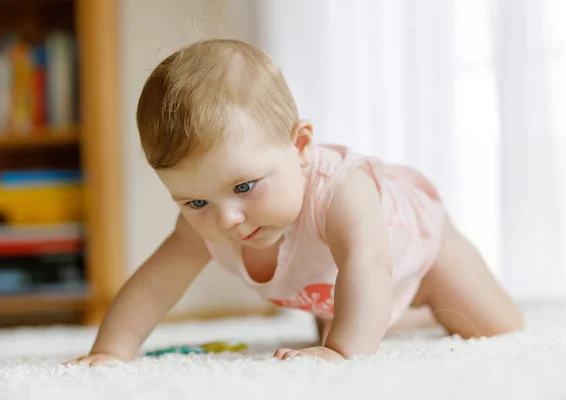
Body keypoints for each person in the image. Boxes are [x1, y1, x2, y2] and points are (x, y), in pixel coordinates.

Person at [66, 39, 523, 365]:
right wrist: (109, 351)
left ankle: (396, 310)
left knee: (498, 327)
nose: (226, 217)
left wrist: (340, 353)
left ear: (301, 148)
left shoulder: (342, 192)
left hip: (423, 251)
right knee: (352, 313)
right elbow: (153, 286)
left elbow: (367, 265)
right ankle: (381, 318)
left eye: (244, 187)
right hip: (338, 289)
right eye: (194, 201)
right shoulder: (204, 223)